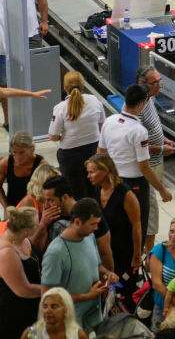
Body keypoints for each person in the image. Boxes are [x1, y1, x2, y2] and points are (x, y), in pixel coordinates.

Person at [95, 84, 170, 241]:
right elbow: (145, 168)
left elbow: (100, 154)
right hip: (134, 185)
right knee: (136, 227)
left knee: (115, 226)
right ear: (141, 104)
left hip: (112, 181)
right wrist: (162, 190)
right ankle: (135, 259)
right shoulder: (138, 131)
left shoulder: (109, 121)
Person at [41, 198, 117, 333]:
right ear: (77, 222)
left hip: (93, 321)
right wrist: (87, 296)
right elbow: (48, 296)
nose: (96, 228)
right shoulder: (56, 253)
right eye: (92, 224)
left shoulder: (89, 237)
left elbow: (97, 265)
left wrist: (107, 274)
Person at [82, 156, 141, 299]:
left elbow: (137, 226)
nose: (88, 176)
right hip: (103, 252)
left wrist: (137, 255)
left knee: (123, 291)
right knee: (106, 291)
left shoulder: (125, 194)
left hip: (123, 253)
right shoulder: (96, 191)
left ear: (106, 170)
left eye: (92, 172)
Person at [134, 67, 175, 255]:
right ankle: (147, 259)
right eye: (156, 83)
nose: (160, 85)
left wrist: (164, 139)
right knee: (150, 216)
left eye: (160, 81)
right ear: (142, 84)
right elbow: (136, 146)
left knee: (151, 213)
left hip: (155, 163)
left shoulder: (149, 99)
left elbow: (153, 126)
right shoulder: (137, 107)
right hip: (145, 170)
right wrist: (160, 148)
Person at [0, 206, 42, 337]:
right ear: (26, 230)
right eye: (37, 224)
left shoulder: (24, 240)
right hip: (14, 314)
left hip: (32, 308)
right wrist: (53, 289)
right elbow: (24, 290)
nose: (39, 225)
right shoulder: (7, 252)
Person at [0, 133, 47, 209]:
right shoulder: (5, 163)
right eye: (14, 152)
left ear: (31, 148)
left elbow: (49, 191)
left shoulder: (41, 165)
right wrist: (6, 207)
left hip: (35, 209)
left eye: (22, 152)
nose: (18, 157)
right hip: (13, 208)